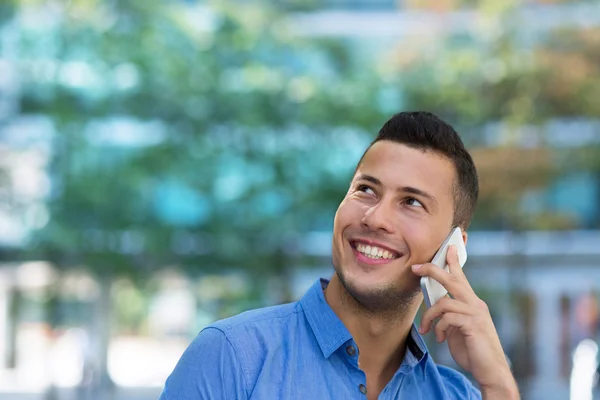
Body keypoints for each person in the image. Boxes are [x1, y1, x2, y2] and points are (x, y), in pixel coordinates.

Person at [158, 111, 520, 399]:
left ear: (453, 248)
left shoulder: (463, 397)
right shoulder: (232, 358)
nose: (375, 217)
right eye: (365, 189)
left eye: (411, 202)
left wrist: (499, 386)